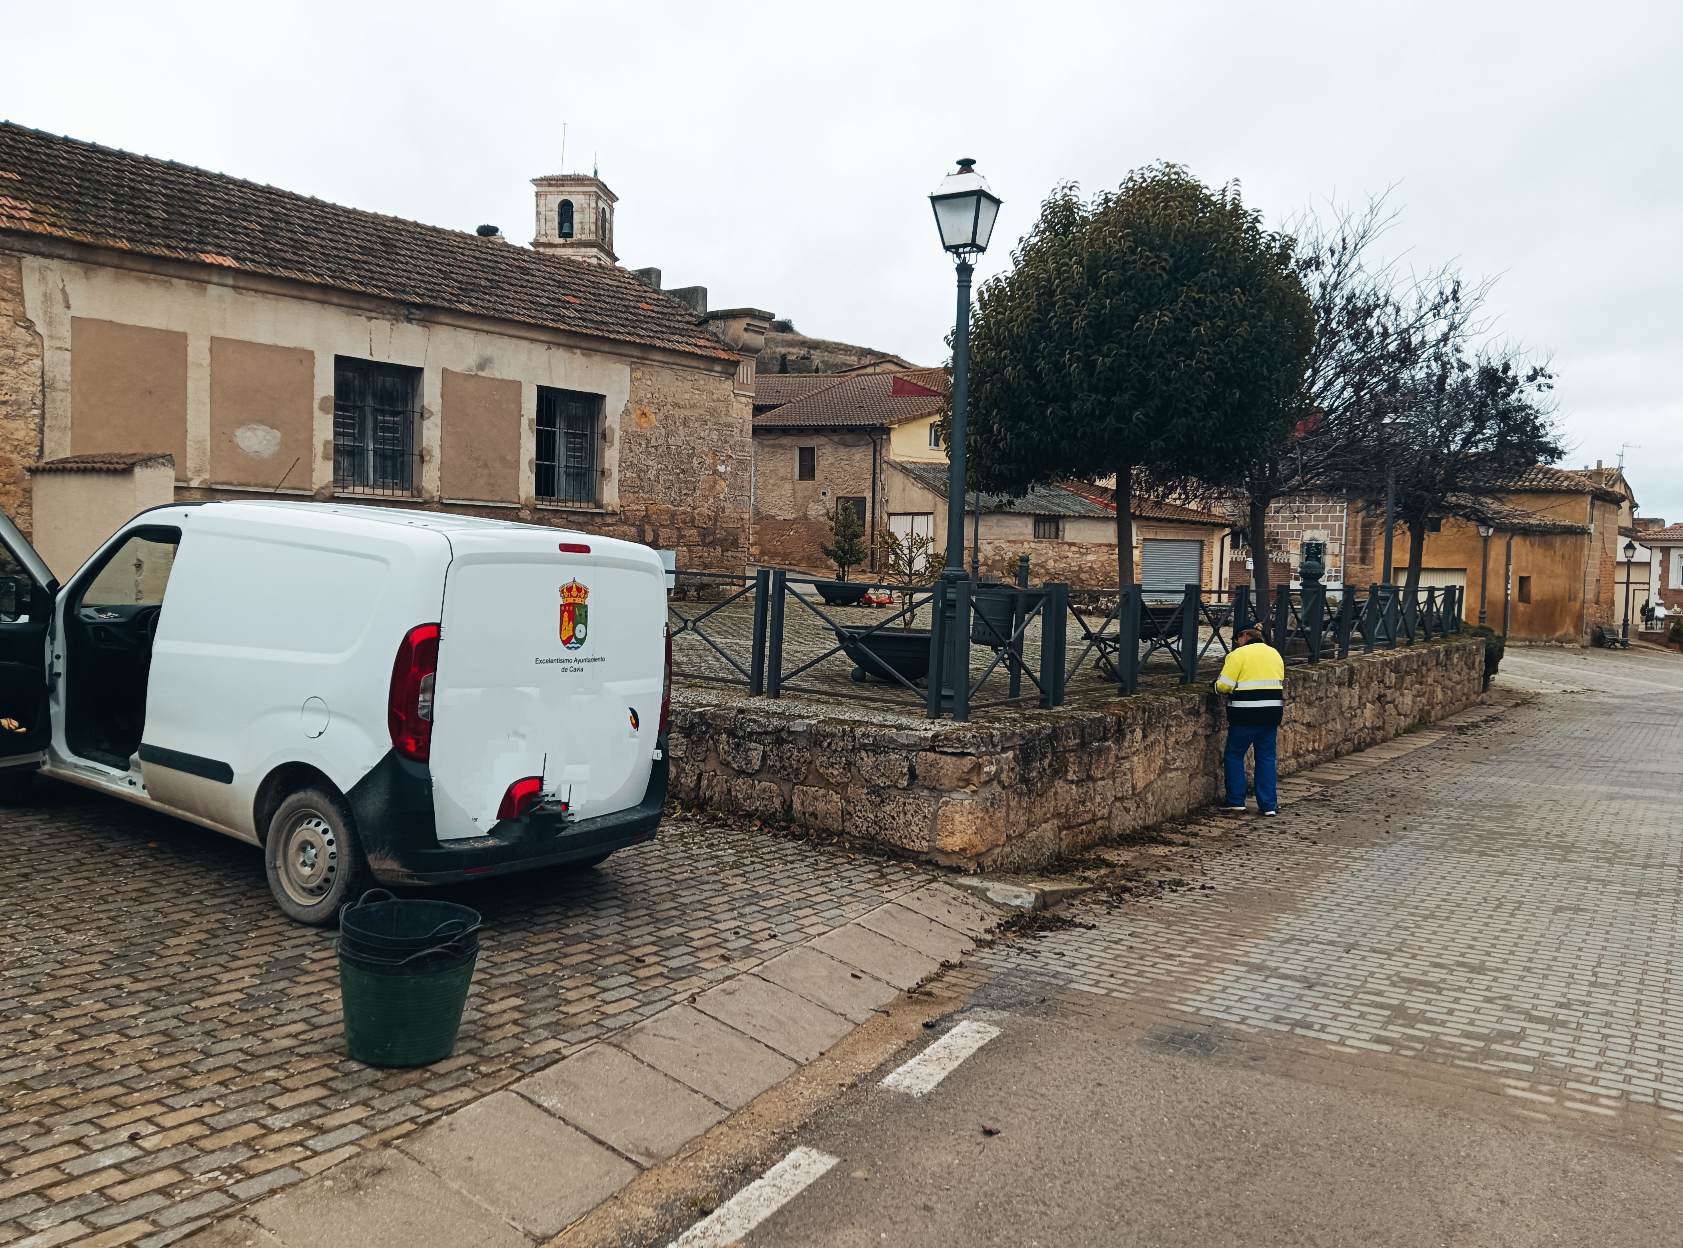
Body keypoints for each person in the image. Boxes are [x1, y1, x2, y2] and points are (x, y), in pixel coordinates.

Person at [1213, 625, 1285, 816]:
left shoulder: (1238, 655)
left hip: (1244, 714)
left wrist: (1215, 686)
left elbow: (1224, 686)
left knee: (1235, 755)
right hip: (1271, 714)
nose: (1237, 643)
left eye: (1237, 638)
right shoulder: (1274, 654)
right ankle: (1268, 805)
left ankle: (1236, 800)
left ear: (1245, 635)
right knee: (1266, 758)